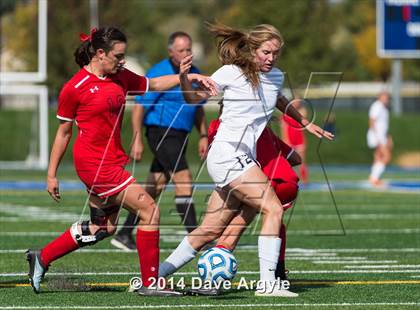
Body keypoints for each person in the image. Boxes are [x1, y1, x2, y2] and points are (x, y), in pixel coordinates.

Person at [25, 26, 216, 296]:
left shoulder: (120, 76)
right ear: (100, 54)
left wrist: (190, 75)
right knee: (150, 210)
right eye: (118, 56)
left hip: (112, 161)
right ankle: (151, 283)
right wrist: (51, 174)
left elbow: (154, 85)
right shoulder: (75, 88)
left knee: (102, 227)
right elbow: (64, 133)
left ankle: (41, 257)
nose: (122, 61)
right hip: (95, 165)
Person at [158, 23, 333, 297]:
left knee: (209, 229)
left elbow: (279, 99)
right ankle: (268, 284)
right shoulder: (231, 72)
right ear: (252, 49)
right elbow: (193, 100)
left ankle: (155, 275)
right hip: (227, 154)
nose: (271, 58)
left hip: (240, 158)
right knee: (273, 208)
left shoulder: (275, 76)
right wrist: (183, 78)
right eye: (266, 52)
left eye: (275, 53)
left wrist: (303, 122)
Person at [161, 115, 302, 297]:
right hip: (256, 174)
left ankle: (266, 282)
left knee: (228, 229)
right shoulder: (257, 125)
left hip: (250, 174)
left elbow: (217, 156)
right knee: (216, 229)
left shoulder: (227, 124)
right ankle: (159, 274)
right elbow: (295, 158)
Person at [111, 32, 207, 251]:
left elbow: (197, 109)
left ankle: (124, 234)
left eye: (189, 49)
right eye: (181, 50)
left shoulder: (195, 73)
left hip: (180, 136)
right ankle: (195, 237)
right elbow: (139, 107)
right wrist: (136, 140)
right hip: (161, 133)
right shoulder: (159, 71)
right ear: (171, 52)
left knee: (154, 186)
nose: (186, 54)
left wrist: (203, 135)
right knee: (184, 178)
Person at [367, 91, 392, 186]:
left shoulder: (383, 108)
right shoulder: (376, 106)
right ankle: (374, 177)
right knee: (386, 156)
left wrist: (388, 137)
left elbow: (383, 125)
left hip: (381, 136)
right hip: (377, 136)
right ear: (379, 97)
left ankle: (374, 178)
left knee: (378, 157)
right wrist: (376, 137)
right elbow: (372, 121)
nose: (386, 99)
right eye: (384, 97)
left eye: (387, 97)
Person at [281, 99, 309, 184]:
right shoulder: (285, 114)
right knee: (288, 163)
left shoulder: (301, 112)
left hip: (299, 140)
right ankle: (289, 180)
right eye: (294, 102)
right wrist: (285, 139)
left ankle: (305, 181)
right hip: (289, 140)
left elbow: (303, 123)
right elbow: (284, 128)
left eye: (298, 102)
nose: (296, 103)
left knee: (302, 161)